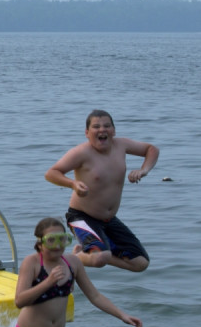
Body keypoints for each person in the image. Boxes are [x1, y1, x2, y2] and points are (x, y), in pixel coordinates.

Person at [13, 217, 143, 327]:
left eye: (63, 239)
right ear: (40, 244)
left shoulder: (73, 263)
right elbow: (20, 300)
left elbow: (94, 296)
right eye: (51, 240)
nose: (58, 245)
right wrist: (48, 282)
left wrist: (122, 315)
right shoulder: (32, 263)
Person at [45, 109, 159, 272]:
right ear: (87, 132)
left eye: (107, 126)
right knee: (101, 257)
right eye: (96, 127)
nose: (102, 130)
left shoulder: (121, 145)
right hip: (81, 216)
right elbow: (51, 173)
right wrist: (73, 184)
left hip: (109, 220)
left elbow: (152, 149)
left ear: (113, 131)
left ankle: (88, 253)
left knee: (140, 263)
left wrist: (143, 170)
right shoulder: (81, 153)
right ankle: (76, 258)